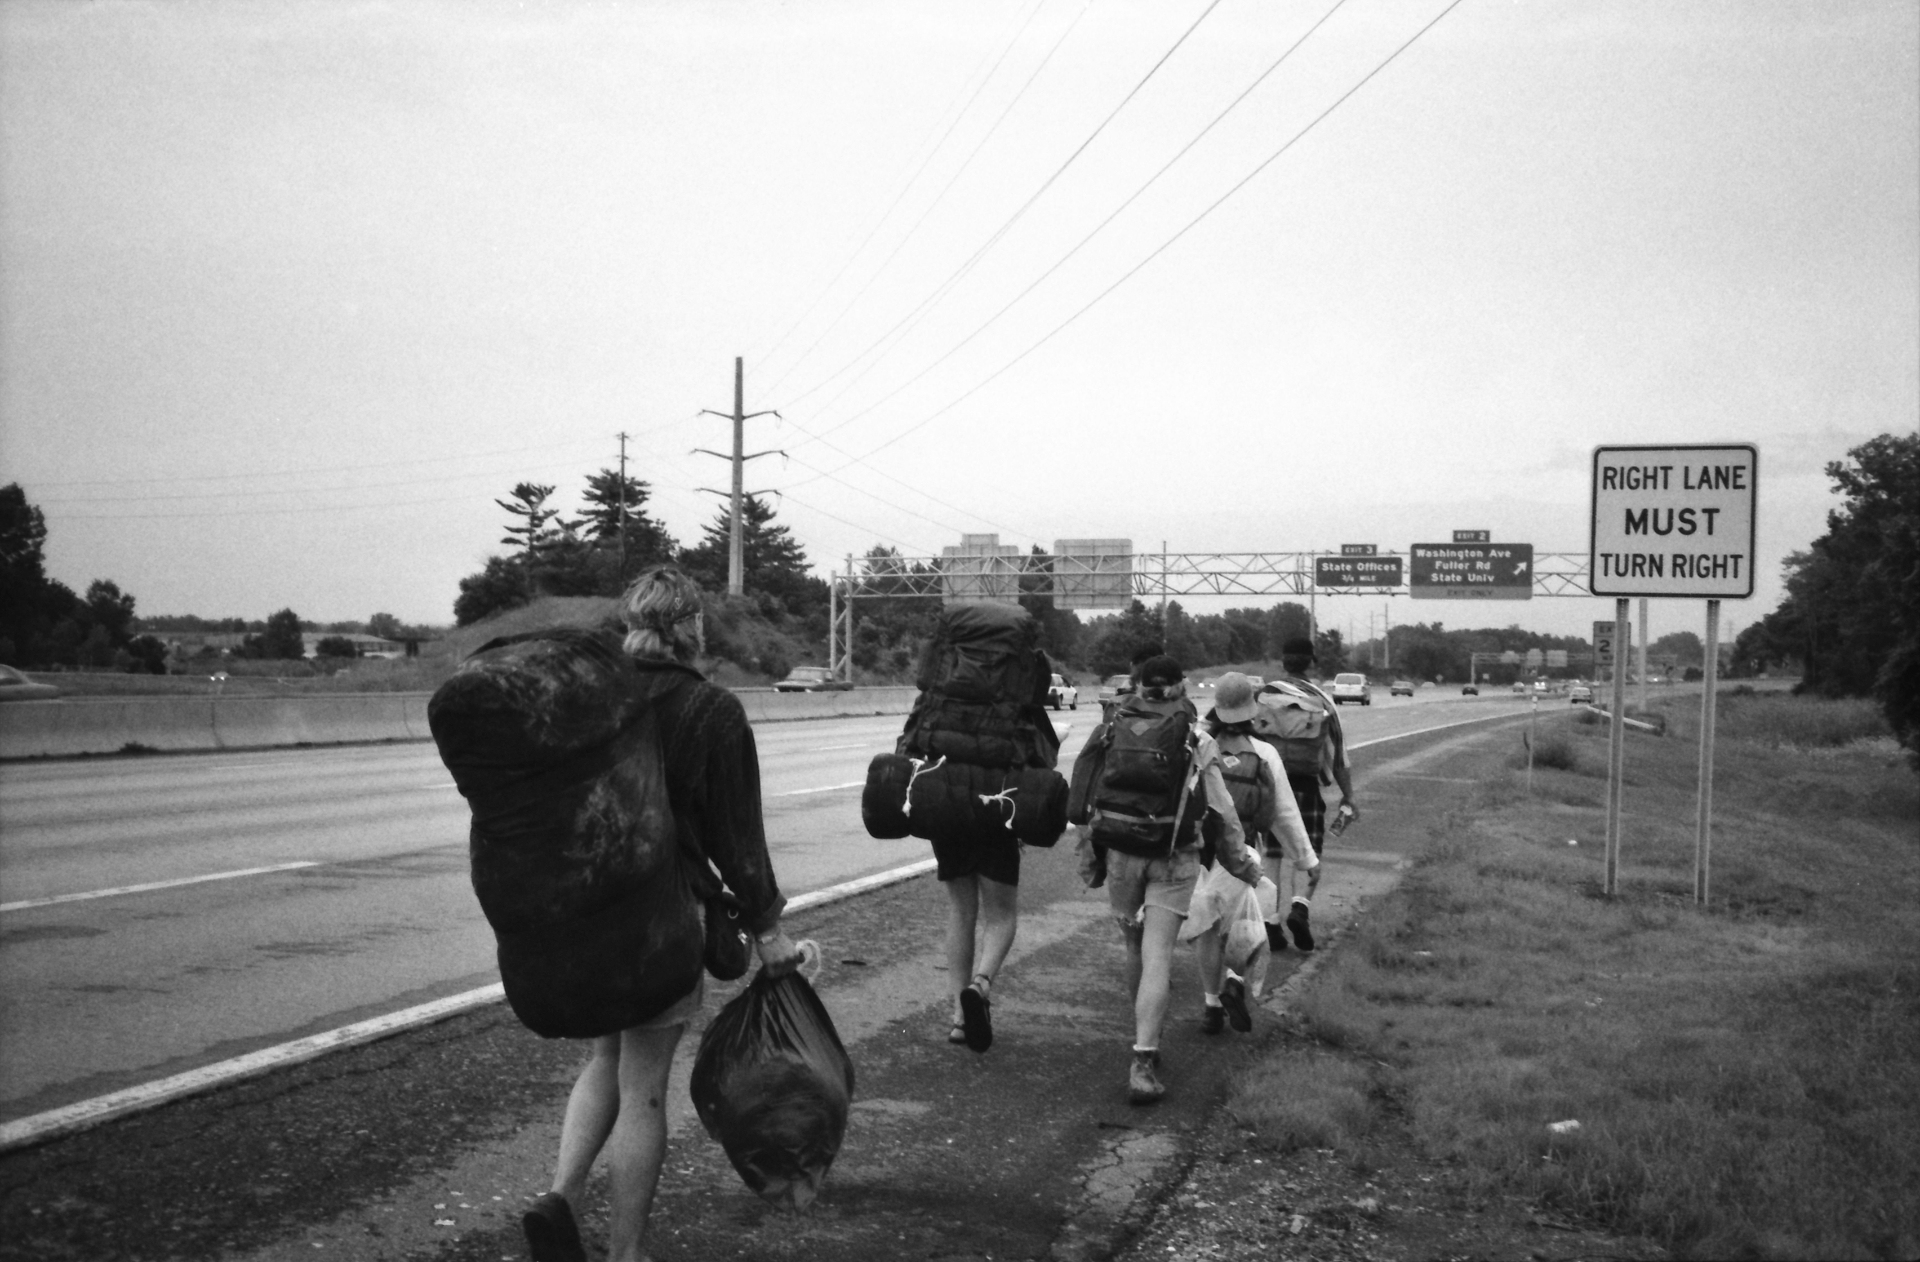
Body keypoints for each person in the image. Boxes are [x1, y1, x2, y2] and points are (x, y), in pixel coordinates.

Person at [522, 566, 803, 1262]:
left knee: (606, 1056)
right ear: (691, 629)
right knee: (645, 1086)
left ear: (630, 624)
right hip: (662, 922)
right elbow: (740, 841)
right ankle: (626, 1254)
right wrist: (768, 931)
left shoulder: (588, 695)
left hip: (582, 911)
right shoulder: (711, 711)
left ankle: (560, 1195)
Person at [1077, 654, 1262, 1105]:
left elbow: (1086, 799)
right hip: (1175, 856)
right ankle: (1144, 1056)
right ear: (1181, 687)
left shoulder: (1111, 728)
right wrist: (1242, 865)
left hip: (1122, 853)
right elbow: (1223, 811)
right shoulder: (1195, 737)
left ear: (1138, 686)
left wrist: (1090, 861)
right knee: (1158, 952)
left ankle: (1142, 1034)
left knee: (1133, 947)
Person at [1184, 671, 1316, 1034]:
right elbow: (1284, 814)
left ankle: (1211, 1005)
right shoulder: (1264, 752)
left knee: (1208, 928)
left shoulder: (1196, 742)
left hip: (1199, 851)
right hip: (1240, 850)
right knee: (1244, 924)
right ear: (1251, 708)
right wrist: (1307, 861)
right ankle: (1233, 980)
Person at [1269, 636, 1357, 952]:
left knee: (1272, 856)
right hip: (1305, 787)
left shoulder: (1265, 695)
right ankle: (1300, 907)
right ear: (1311, 662)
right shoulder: (1322, 699)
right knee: (1307, 853)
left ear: (1283, 662)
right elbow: (1338, 756)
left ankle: (1272, 924)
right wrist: (1348, 796)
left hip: (1268, 787)